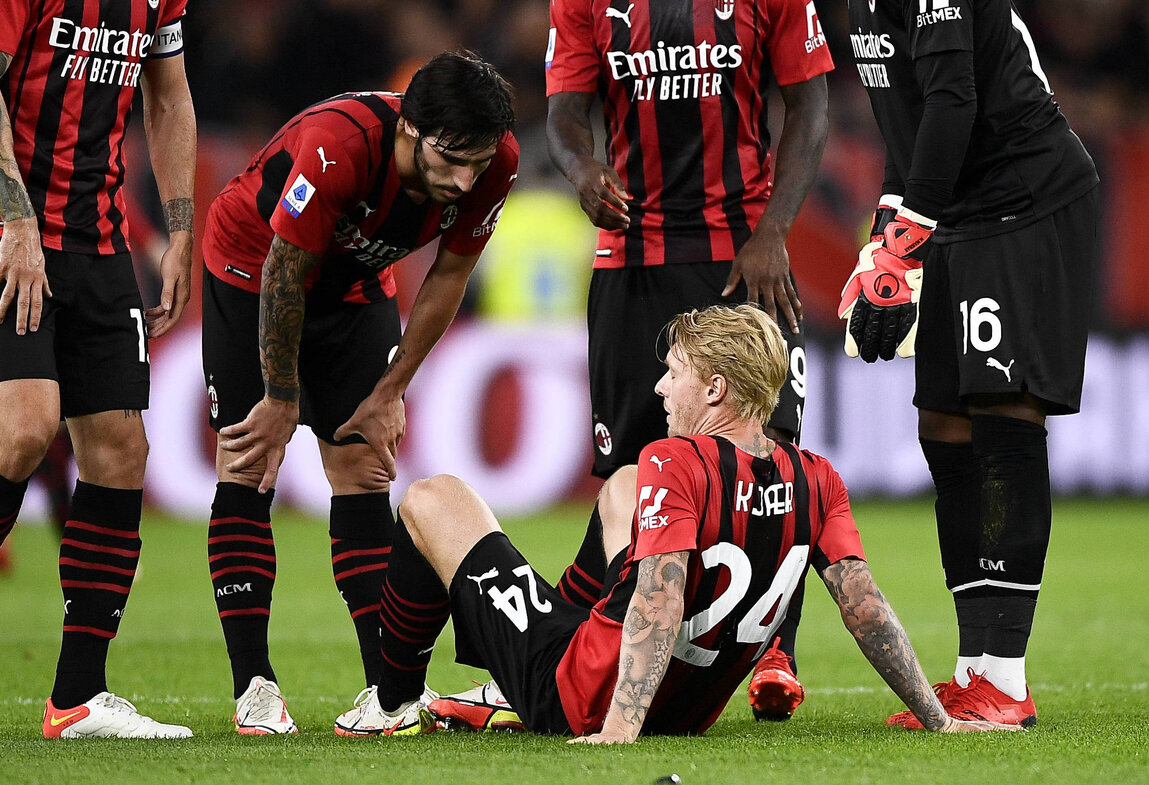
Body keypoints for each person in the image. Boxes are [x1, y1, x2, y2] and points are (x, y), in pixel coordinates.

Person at [332, 304, 1018, 739]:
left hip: (582, 696)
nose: (660, 387)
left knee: (431, 496)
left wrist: (617, 729)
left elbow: (659, 599)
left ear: (715, 388)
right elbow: (867, 610)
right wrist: (939, 717)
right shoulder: (818, 477)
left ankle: (391, 705)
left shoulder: (676, 461)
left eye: (674, 373)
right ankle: (544, 651)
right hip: (688, 709)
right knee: (622, 488)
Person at [200, 51, 518, 734]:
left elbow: (451, 274)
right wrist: (281, 397)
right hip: (251, 265)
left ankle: (388, 688)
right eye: (450, 158)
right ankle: (253, 685)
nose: (464, 179)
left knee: (364, 463)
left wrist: (392, 388)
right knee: (251, 461)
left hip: (353, 286)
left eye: (478, 160)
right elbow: (285, 271)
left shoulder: (495, 163)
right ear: (408, 129)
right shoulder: (338, 146)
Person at [542, 0, 834, 721]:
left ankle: (775, 652)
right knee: (632, 473)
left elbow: (810, 104)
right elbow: (564, 114)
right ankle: (615, 654)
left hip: (742, 256)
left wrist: (773, 232)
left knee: (769, 455)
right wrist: (582, 171)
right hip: (631, 263)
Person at [839, 0, 1100, 728]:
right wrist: (884, 243)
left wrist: (904, 239)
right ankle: (972, 670)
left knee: (1003, 414)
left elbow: (956, 100)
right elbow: (910, 125)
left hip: (1026, 200)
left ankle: (1005, 678)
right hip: (959, 215)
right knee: (943, 427)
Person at [0, 0, 196, 739]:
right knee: (23, 430)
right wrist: (16, 221)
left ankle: (78, 695)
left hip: (102, 246)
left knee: (121, 452)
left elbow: (170, 95)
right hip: (10, 233)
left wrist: (179, 229)